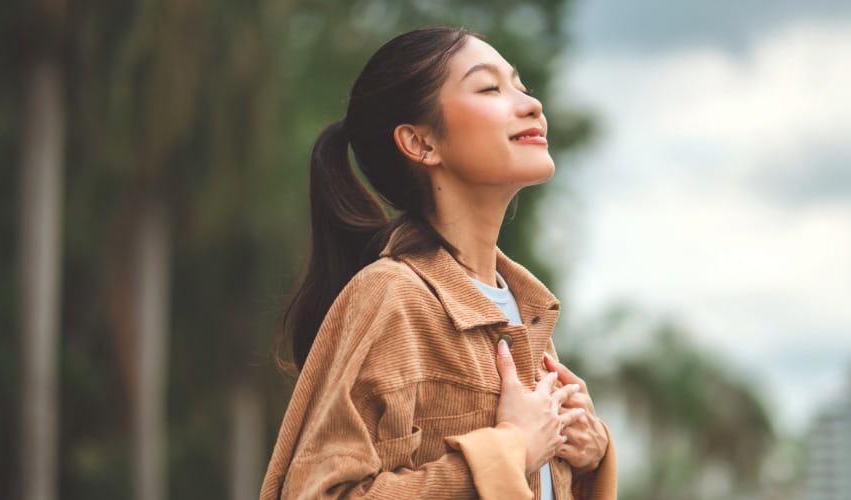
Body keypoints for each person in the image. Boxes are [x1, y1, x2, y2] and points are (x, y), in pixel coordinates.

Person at [259, 27, 617, 499]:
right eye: (490, 88)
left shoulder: (527, 317)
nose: (532, 105)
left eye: (521, 87)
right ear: (420, 143)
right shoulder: (393, 295)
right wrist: (509, 450)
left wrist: (589, 459)